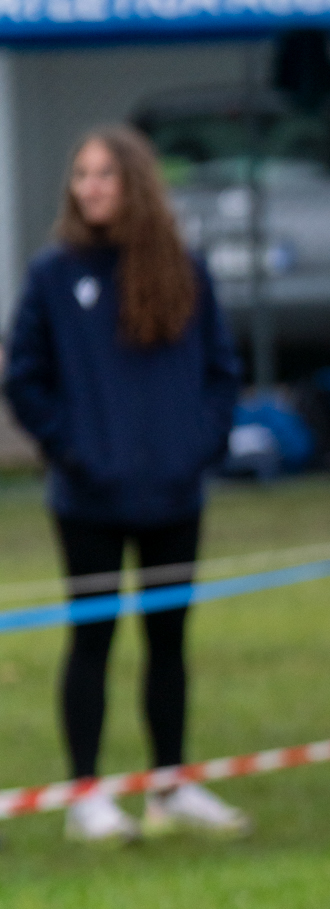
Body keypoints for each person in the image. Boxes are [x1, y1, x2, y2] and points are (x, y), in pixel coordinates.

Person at [5, 125, 245, 844]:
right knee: (93, 639)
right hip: (90, 500)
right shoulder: (54, 275)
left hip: (173, 493)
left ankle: (171, 784)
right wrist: (75, 451)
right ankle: (87, 794)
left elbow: (221, 371)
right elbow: (25, 377)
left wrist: (196, 448)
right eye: (81, 175)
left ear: (134, 182)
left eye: (104, 174)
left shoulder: (183, 270)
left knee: (168, 640)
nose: (91, 187)